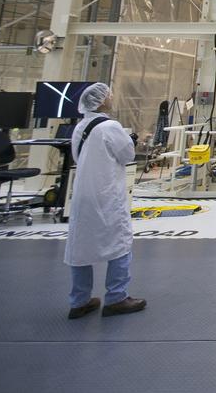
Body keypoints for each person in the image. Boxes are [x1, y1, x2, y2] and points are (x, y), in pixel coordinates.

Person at [64, 83, 146, 319]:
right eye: (109, 94)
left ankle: (79, 301)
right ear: (100, 101)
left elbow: (78, 156)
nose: (111, 96)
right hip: (106, 192)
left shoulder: (81, 127)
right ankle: (117, 297)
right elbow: (127, 154)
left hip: (82, 193)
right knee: (119, 242)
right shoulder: (110, 126)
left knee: (80, 246)